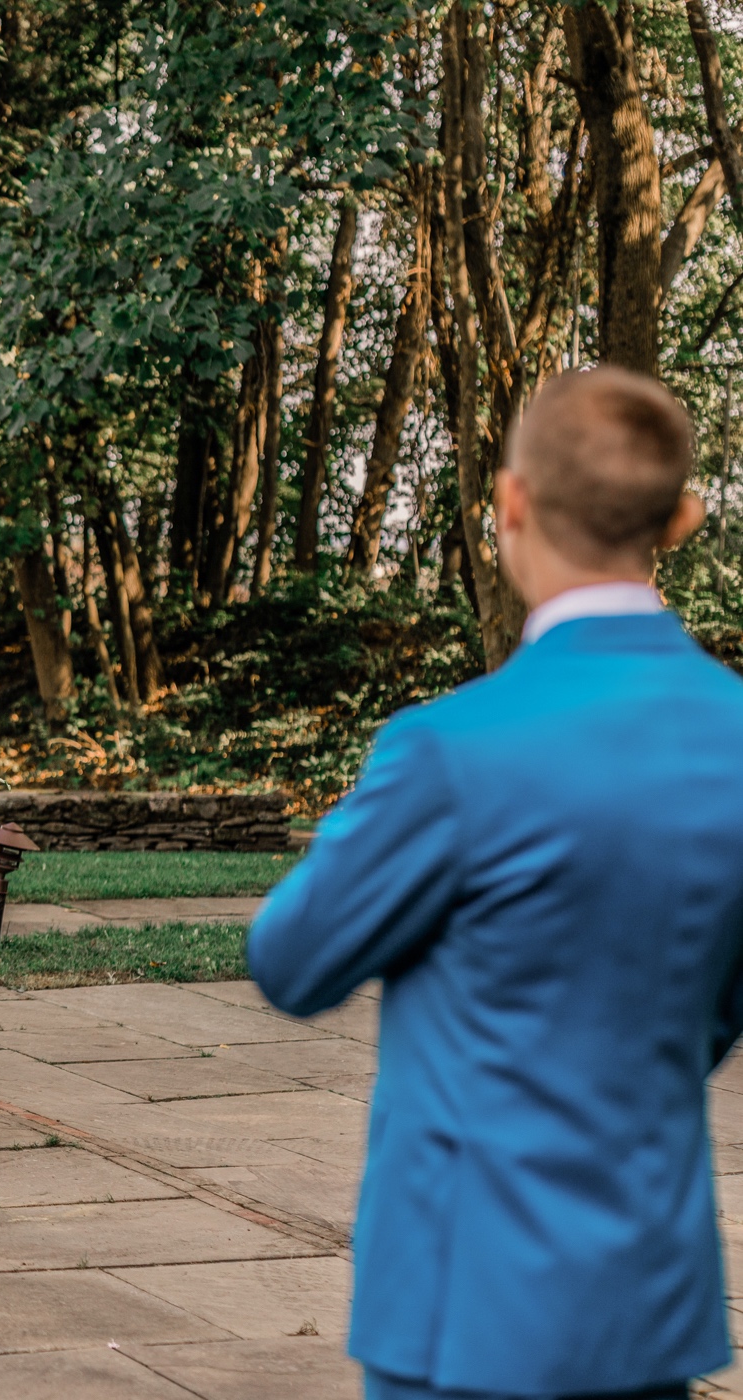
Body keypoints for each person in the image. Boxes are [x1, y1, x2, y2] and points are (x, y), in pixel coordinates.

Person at [249, 367, 743, 1400]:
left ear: (512, 503)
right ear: (679, 519)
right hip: (649, 1299)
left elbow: (292, 960)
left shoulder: (449, 748)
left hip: (464, 1297)